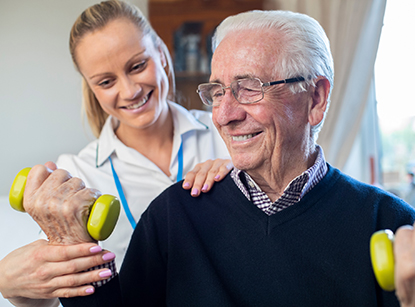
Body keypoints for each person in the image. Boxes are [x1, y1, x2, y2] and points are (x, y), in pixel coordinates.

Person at [11, 9, 415, 307]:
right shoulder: (171, 213)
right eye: (218, 91)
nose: (223, 116)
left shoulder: (389, 224)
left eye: (249, 88)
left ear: (315, 98)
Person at [0, 0, 231, 306]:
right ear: (91, 88)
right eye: (107, 82)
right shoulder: (75, 176)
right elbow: (58, 293)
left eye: (137, 66)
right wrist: (9, 284)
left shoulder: (226, 134)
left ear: (161, 53)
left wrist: (244, 174)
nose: (130, 90)